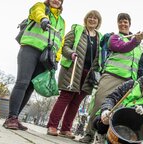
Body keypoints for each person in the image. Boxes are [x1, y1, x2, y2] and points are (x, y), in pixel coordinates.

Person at [79, 12, 143, 143]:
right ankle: (89, 134)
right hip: (111, 76)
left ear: (129, 24)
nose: (123, 23)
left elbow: (140, 65)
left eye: (125, 21)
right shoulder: (114, 38)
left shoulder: (139, 47)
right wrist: (136, 40)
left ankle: (107, 137)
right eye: (120, 21)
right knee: (99, 104)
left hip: (128, 81)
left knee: (119, 110)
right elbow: (122, 47)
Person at [3, 0, 66, 131]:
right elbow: (37, 13)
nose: (56, 1)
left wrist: (57, 58)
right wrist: (43, 19)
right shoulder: (40, 6)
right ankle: (11, 117)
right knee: (22, 82)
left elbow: (60, 40)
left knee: (31, 86)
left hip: (46, 56)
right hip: (30, 49)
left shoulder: (62, 21)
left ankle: (14, 118)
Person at [46, 10, 102, 139]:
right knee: (65, 97)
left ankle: (66, 129)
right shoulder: (77, 30)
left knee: (76, 102)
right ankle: (52, 125)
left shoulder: (99, 37)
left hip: (89, 75)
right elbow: (65, 46)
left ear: (98, 22)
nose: (92, 20)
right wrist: (71, 53)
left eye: (95, 18)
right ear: (86, 19)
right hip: (73, 70)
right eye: (90, 17)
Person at [92, 72, 143, 136]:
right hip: (111, 114)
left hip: (124, 124)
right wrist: (106, 110)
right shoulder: (132, 84)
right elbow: (112, 97)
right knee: (101, 122)